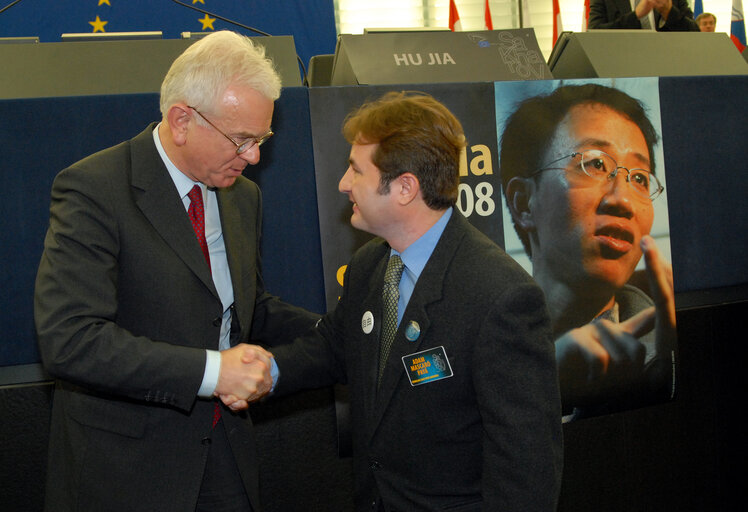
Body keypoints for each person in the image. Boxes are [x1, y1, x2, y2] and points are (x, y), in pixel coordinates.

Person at [33, 31, 318, 512]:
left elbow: (242, 310)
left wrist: (336, 334)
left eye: (261, 139)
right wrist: (214, 372)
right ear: (182, 120)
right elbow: (71, 340)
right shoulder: (94, 189)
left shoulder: (242, 196)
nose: (254, 158)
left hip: (226, 457)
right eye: (241, 140)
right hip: (126, 469)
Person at [245, 91, 563, 511]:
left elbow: (527, 468)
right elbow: (335, 348)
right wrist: (266, 370)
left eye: (356, 170)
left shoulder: (500, 297)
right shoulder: (368, 267)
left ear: (405, 188)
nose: (343, 184)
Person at [500, 84, 677, 421]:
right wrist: (547, 386)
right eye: (595, 164)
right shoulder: (480, 347)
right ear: (524, 202)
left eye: (640, 177)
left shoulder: (666, 353)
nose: (623, 200)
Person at [588, 0, 699, 31]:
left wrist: (669, 12)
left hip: (667, 70)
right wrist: (635, 16)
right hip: (621, 68)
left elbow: (694, 31)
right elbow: (594, 32)